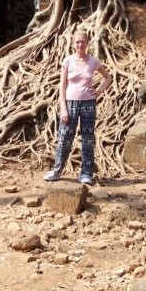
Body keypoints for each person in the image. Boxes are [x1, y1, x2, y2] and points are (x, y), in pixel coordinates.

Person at [44, 31, 112, 185]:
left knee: (88, 139)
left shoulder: (93, 61)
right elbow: (62, 86)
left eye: (83, 41)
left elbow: (108, 78)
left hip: (88, 104)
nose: (80, 44)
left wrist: (99, 90)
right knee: (64, 137)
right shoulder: (67, 61)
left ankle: (87, 173)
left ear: (87, 43)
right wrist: (63, 108)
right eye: (77, 42)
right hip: (70, 103)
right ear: (73, 44)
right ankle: (57, 170)